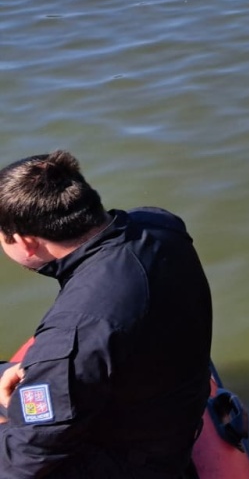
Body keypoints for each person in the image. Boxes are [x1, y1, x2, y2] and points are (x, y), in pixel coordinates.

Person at [0, 151, 212, 478]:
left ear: (27, 243)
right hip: (167, 412)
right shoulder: (159, 224)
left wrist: (8, 424)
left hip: (137, 462)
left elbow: (26, 459)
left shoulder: (76, 328)